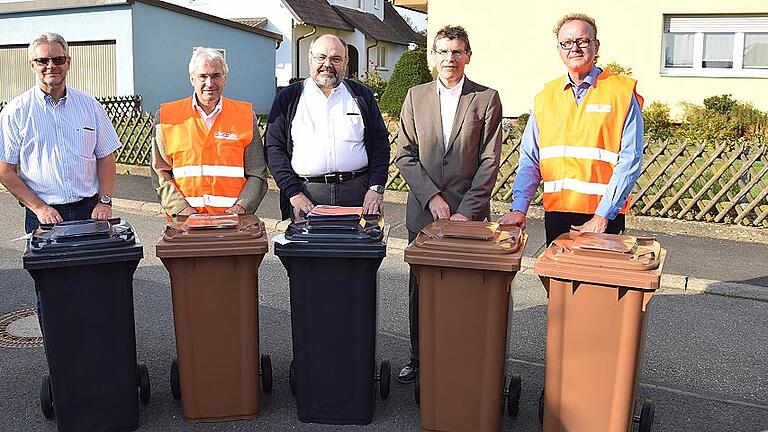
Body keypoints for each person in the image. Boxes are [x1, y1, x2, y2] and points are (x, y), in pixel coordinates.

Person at [393, 25, 503, 383]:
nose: (449, 59)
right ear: (433, 56)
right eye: (442, 52)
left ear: (468, 55)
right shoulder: (415, 96)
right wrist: (433, 197)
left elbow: (489, 161)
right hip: (423, 214)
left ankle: (461, 356)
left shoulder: (486, 98)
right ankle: (418, 356)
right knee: (421, 290)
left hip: (468, 217)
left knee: (464, 291)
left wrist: (466, 211)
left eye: (456, 52)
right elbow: (405, 155)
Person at [498, 13, 644, 245]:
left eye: (582, 41)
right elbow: (530, 159)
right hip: (557, 216)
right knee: (557, 281)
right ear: (559, 49)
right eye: (567, 43)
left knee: (599, 281)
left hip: (603, 218)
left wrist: (602, 215)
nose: (574, 48)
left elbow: (631, 159)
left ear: (596, 46)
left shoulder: (621, 93)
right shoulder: (545, 98)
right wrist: (519, 208)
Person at [0, 32, 120, 234]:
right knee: (46, 267)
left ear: (68, 62)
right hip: (43, 216)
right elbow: (5, 171)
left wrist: (105, 201)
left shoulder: (90, 106)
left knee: (92, 266)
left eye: (58, 59)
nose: (51, 66)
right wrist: (39, 207)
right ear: (32, 65)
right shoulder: (15, 112)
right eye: (42, 61)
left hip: (90, 211)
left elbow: (106, 157)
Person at [265, 34, 390, 220]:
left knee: (358, 249)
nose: (327, 64)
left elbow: (381, 143)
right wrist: (293, 193)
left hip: (359, 194)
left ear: (345, 61)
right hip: (306, 195)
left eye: (335, 58)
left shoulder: (362, 95)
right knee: (310, 249)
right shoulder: (289, 98)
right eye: (321, 57)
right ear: (310, 57)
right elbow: (274, 148)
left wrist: (376, 188)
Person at [152, 47, 268, 217]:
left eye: (216, 76)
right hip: (184, 224)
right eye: (202, 76)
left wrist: (241, 208)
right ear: (192, 79)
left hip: (233, 223)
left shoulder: (245, 116)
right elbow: (160, 171)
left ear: (225, 78)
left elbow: (257, 172)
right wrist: (181, 209)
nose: (209, 83)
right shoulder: (166, 117)